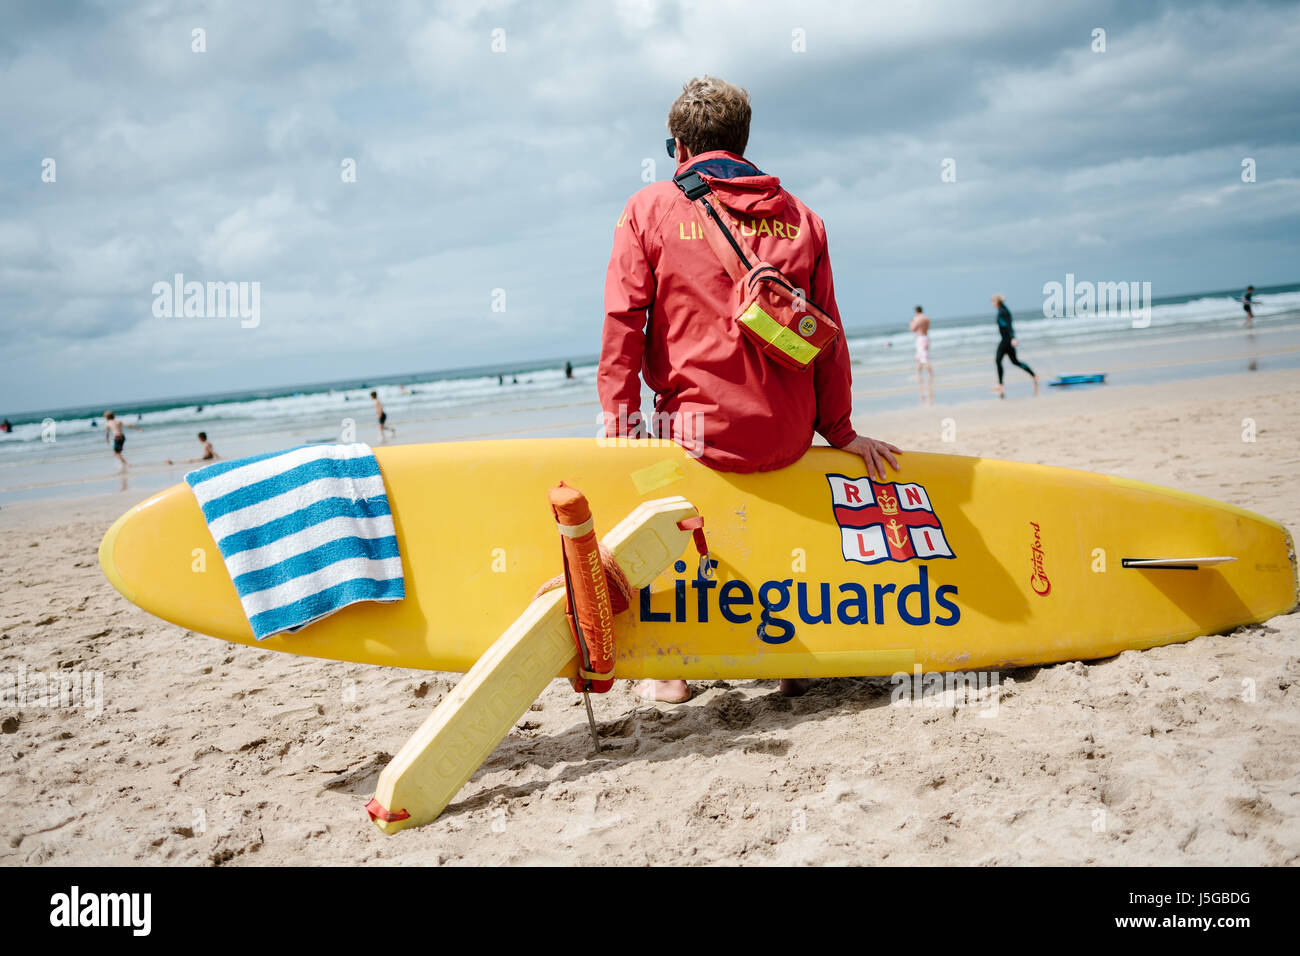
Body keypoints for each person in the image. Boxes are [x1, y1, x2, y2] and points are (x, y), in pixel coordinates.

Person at [600, 75, 901, 704]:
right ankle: (795, 657)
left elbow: (623, 323)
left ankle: (671, 669)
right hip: (787, 434)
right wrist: (840, 432)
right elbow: (829, 335)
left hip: (695, 436)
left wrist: (618, 425)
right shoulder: (804, 219)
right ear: (743, 144)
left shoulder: (648, 209)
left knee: (649, 482)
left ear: (678, 146)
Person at [991, 294, 1038, 398]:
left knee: (999, 360)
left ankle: (1000, 385)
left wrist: (1013, 338)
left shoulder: (1003, 311)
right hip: (1007, 340)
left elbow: (1008, 326)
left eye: (993, 301)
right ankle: (1033, 375)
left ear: (997, 301)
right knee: (1014, 361)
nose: (992, 303)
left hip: (1006, 340)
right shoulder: (1003, 310)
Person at [909, 305, 934, 405]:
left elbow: (912, 329)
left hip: (920, 339)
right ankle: (919, 375)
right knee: (920, 359)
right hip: (926, 338)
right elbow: (926, 328)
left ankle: (931, 375)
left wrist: (912, 322)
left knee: (924, 359)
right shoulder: (926, 318)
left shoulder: (917, 319)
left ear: (916, 311)